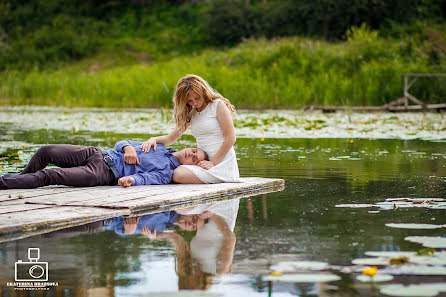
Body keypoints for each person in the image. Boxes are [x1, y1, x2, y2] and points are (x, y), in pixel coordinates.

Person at [141, 74, 240, 184]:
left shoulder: (218, 105)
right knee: (173, 169)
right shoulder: (191, 113)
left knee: (177, 174)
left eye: (197, 98)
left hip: (221, 164)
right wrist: (153, 139)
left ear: (203, 91)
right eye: (190, 101)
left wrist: (213, 162)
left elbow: (231, 138)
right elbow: (171, 139)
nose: (194, 103)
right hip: (202, 162)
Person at [0, 140, 207, 190]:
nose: (191, 154)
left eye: (194, 159)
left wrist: (131, 179)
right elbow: (122, 142)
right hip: (97, 153)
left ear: (192, 166)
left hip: (102, 172)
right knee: (46, 151)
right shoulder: (159, 145)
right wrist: (128, 148)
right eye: (194, 151)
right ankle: (20, 179)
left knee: (51, 176)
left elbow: (146, 179)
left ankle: (4, 183)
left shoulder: (167, 173)